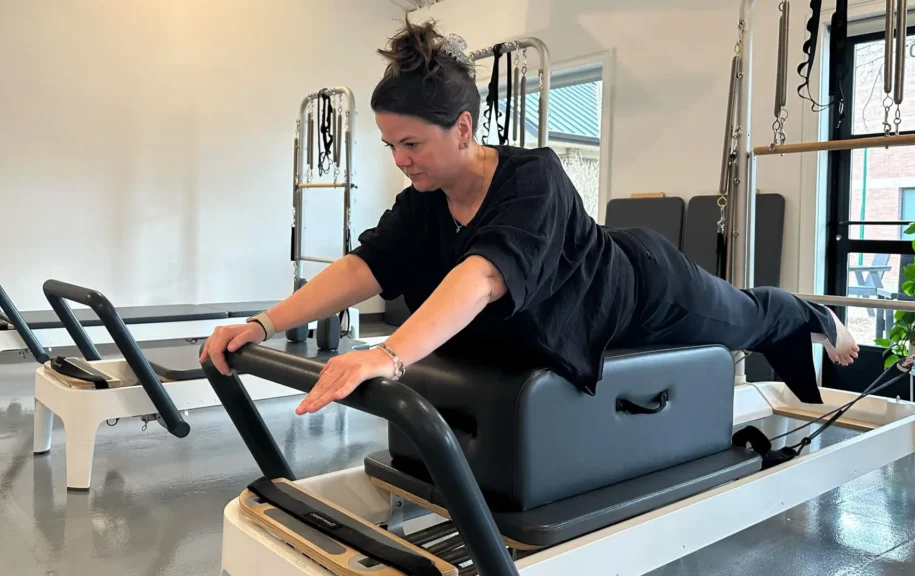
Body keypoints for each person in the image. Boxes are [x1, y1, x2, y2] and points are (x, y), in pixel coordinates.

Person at [200, 18, 859, 416]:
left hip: (647, 287)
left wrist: (389, 356)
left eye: (412, 144)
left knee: (744, 319)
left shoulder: (531, 178)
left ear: (462, 128)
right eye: (390, 147)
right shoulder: (425, 198)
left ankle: (811, 315)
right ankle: (799, 323)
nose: (401, 161)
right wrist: (263, 323)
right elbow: (364, 266)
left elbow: (485, 277)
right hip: (587, 303)